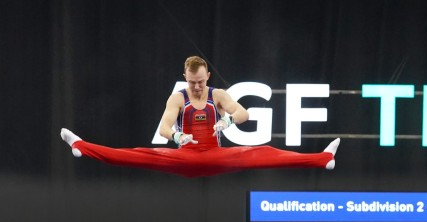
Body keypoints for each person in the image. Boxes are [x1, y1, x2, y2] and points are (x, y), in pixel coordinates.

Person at [60, 56, 340, 178]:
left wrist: (228, 121)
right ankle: (81, 147)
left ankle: (323, 159)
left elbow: (244, 112)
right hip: (186, 157)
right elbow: (164, 128)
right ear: (185, 77)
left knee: (263, 152)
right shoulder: (177, 98)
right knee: (137, 154)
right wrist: (178, 135)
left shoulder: (217, 95)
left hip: (215, 156)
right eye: (192, 82)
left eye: (200, 82)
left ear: (208, 77)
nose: (196, 87)